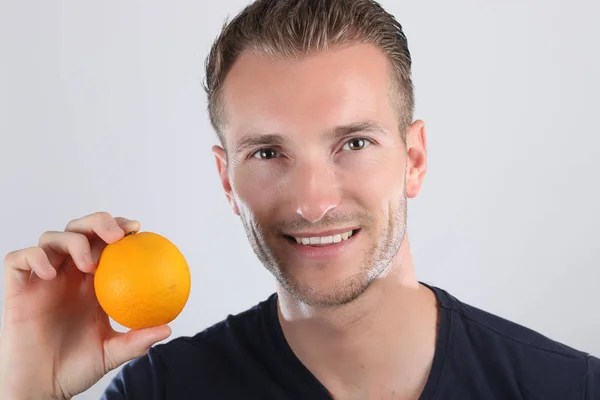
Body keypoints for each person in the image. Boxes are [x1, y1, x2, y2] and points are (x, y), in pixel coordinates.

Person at [1, 0, 599, 398]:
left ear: (414, 158)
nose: (313, 202)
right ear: (226, 179)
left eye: (354, 143)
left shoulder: (568, 388)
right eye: (268, 153)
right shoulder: (162, 392)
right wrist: (26, 387)